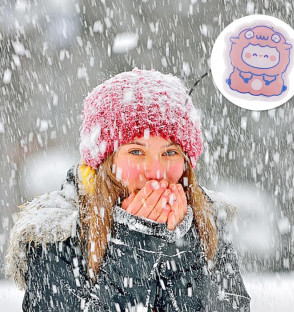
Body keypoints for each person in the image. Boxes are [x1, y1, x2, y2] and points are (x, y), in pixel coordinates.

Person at [5, 68, 251, 311]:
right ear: (105, 162)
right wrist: (135, 244)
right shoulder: (58, 233)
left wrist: (181, 244)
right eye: (136, 151)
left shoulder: (205, 219)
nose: (156, 172)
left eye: (170, 152)